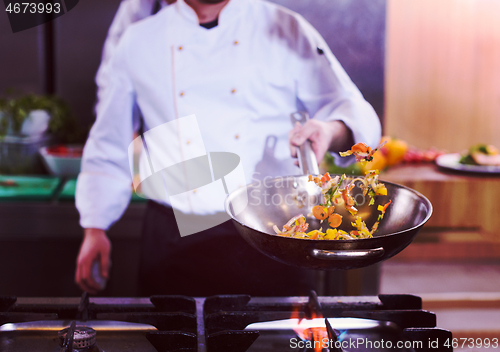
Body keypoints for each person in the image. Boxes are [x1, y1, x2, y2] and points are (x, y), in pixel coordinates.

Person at [75, 0, 381, 296]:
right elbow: (109, 142)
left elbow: (349, 108)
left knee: (274, 347)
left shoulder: (287, 28)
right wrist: (95, 226)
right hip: (173, 240)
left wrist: (329, 130)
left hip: (273, 234)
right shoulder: (139, 40)